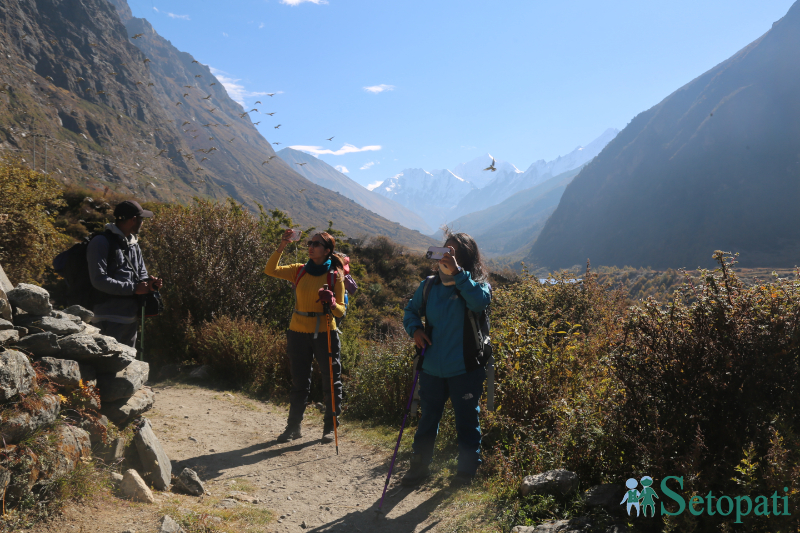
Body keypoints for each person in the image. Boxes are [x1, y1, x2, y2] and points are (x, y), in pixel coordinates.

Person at [401, 232, 491, 486]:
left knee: (466, 420)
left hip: (465, 368)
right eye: (444, 251)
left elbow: (478, 303)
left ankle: (466, 472)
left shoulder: (477, 283)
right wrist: (415, 329)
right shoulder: (429, 285)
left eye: (453, 253)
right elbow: (410, 311)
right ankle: (419, 466)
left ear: (465, 258)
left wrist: (459, 274)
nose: (447, 257)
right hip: (431, 368)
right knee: (428, 418)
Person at [264, 230, 347, 443]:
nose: (310, 246)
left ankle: (330, 427)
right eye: (310, 243)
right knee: (299, 382)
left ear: (327, 250)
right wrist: (282, 245)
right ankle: (293, 427)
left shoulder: (335, 276)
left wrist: (331, 303)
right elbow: (270, 270)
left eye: (316, 244)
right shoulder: (299, 270)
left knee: (331, 381)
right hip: (298, 332)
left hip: (326, 331)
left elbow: (341, 311)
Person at [87, 200, 163, 347]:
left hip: (130, 319)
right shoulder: (100, 242)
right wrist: (134, 288)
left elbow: (141, 275)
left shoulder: (133, 244)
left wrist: (149, 285)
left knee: (127, 367)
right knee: (108, 365)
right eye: (141, 219)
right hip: (107, 318)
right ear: (134, 220)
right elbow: (98, 280)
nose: (142, 223)